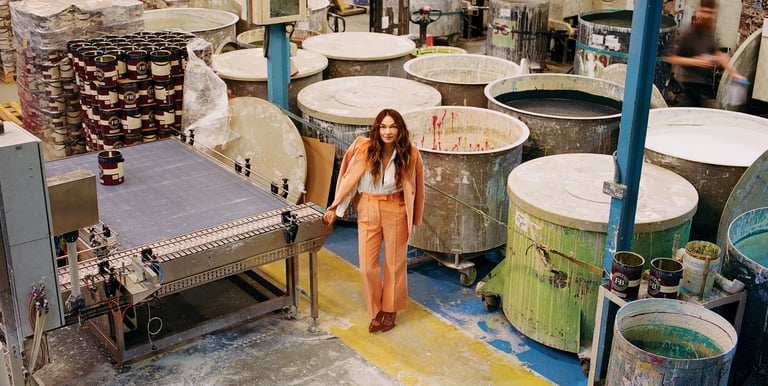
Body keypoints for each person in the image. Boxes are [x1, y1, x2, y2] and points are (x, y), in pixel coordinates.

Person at [323, 108, 425, 333]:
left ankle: (390, 309)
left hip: (395, 208)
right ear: (377, 129)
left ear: (400, 130)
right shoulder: (364, 148)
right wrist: (335, 209)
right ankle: (375, 309)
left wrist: (415, 215)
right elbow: (351, 181)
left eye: (393, 126)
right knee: (368, 267)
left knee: (395, 263)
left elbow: (417, 187)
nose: (388, 131)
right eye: (384, 126)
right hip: (368, 207)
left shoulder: (411, 153)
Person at [663, 0, 746, 107]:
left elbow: (720, 55)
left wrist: (735, 74)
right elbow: (671, 58)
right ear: (699, 11)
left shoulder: (709, 34)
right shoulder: (689, 33)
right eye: (705, 12)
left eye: (710, 13)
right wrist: (697, 61)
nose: (707, 16)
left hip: (702, 89)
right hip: (686, 90)